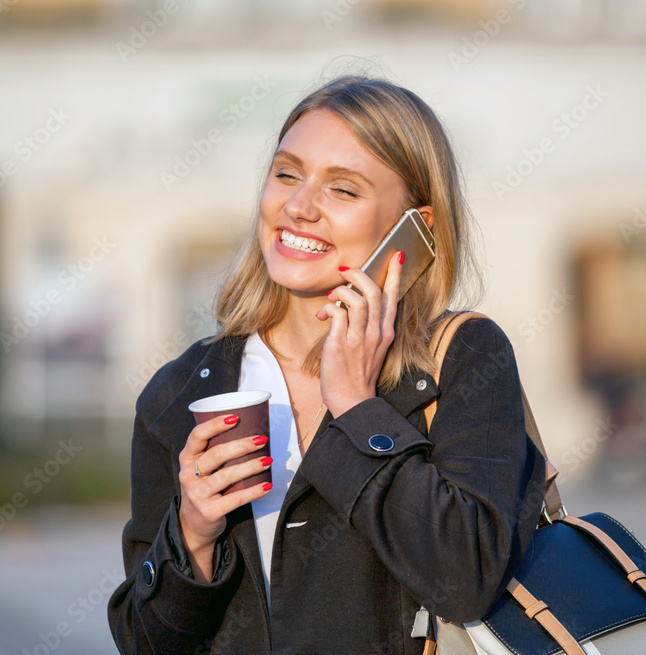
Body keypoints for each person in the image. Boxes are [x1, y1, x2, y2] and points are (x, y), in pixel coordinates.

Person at [108, 74, 547, 654]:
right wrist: (191, 536)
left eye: (343, 190)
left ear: (419, 226)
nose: (297, 206)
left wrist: (359, 410)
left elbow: (467, 580)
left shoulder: (462, 360)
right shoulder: (180, 393)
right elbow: (147, 644)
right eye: (286, 174)